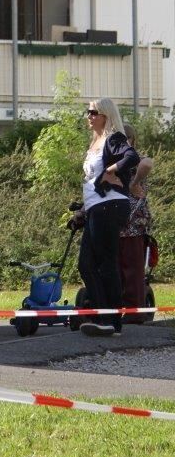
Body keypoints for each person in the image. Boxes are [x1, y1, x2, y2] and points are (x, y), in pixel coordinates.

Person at [76, 98, 138, 337]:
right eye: (88, 111)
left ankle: (111, 320)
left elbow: (132, 156)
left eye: (93, 112)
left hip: (110, 206)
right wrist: (83, 208)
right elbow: (92, 181)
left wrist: (110, 171)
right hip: (95, 207)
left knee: (106, 263)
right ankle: (105, 316)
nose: (88, 116)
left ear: (105, 115)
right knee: (86, 264)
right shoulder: (95, 143)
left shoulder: (113, 138)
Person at [118, 124, 153, 324]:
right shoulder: (115, 162)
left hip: (133, 225)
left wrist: (134, 182)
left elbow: (147, 163)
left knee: (132, 270)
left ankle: (134, 312)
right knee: (116, 269)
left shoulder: (135, 160)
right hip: (115, 225)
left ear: (131, 140)